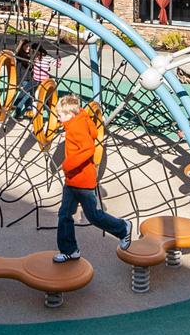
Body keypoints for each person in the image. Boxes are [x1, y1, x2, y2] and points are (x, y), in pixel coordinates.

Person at [52, 95, 132, 262]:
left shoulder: (75, 128)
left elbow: (88, 148)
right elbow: (95, 133)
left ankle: (123, 227)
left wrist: (67, 165)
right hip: (72, 181)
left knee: (94, 216)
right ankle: (70, 250)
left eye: (60, 114)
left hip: (82, 181)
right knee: (64, 214)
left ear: (70, 114)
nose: (58, 118)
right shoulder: (81, 119)